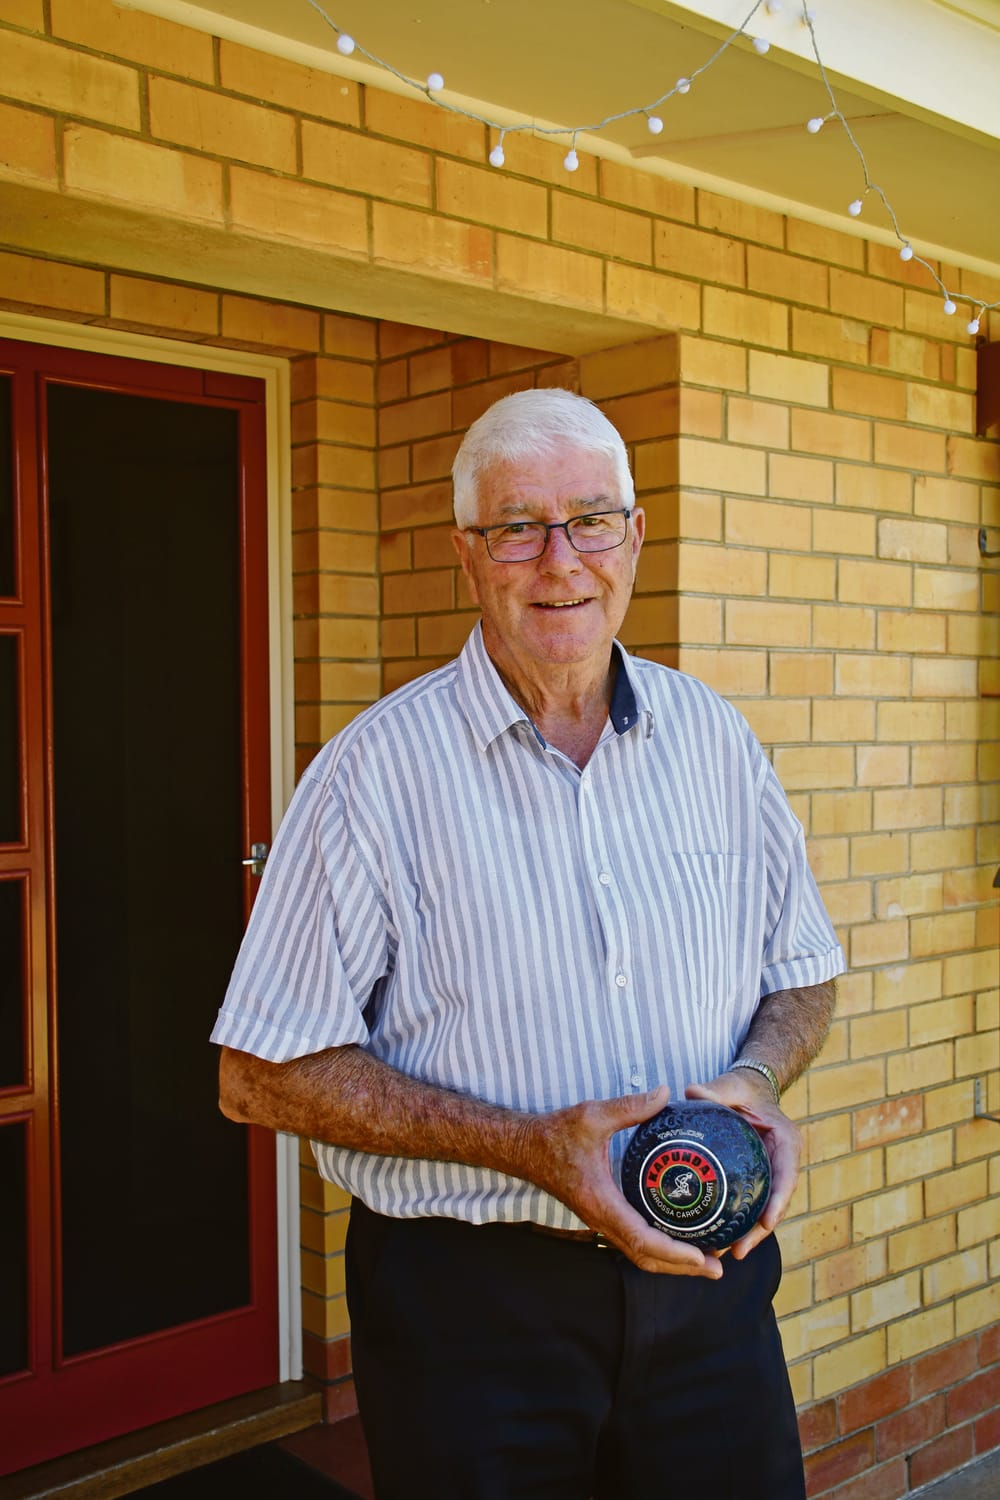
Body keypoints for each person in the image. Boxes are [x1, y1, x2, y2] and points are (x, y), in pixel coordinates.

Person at [212, 387, 844, 1500]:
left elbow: (801, 975)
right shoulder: (370, 776)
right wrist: (526, 1147)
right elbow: (259, 1074)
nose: (561, 561)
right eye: (517, 527)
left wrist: (755, 1081)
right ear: (468, 553)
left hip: (711, 1284)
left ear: (634, 536)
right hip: (471, 1320)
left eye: (590, 520)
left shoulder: (716, 740)